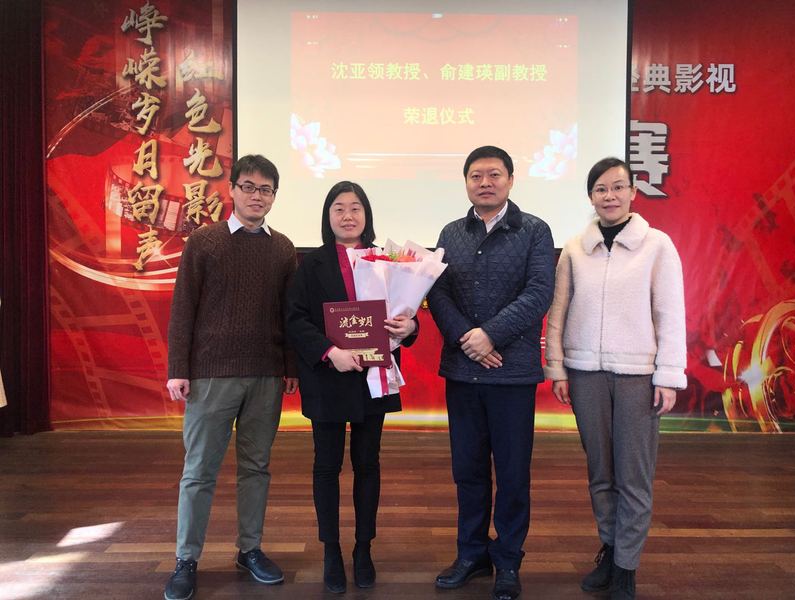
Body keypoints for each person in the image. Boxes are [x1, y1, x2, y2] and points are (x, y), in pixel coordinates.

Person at [544, 157, 687, 600]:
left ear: (633, 193)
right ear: (590, 196)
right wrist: (557, 366)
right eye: (601, 189)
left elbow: (670, 313)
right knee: (600, 472)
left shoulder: (657, 245)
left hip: (637, 376)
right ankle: (609, 548)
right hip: (585, 373)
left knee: (633, 476)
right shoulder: (575, 249)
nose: (610, 196)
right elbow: (558, 311)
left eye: (618, 187)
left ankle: (626, 566)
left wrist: (668, 375)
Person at [164, 155, 299, 600]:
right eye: (249, 187)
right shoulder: (204, 241)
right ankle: (186, 559)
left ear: (274, 196)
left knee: (256, 468)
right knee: (199, 470)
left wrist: (291, 367)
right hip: (210, 375)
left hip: (265, 374)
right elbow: (183, 307)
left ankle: (250, 549)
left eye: (266, 189)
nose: (257, 196)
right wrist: (178, 369)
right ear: (233, 190)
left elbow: (289, 314)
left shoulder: (283, 249)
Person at [427, 146, 555, 600]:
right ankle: (471, 554)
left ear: (511, 180)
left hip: (512, 373)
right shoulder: (450, 232)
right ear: (466, 182)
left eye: (494, 174)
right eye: (476, 175)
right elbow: (437, 293)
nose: (485, 182)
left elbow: (539, 292)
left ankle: (509, 560)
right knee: (468, 470)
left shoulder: (535, 230)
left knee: (513, 474)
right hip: (463, 371)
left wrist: (491, 335)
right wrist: (469, 339)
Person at [285, 181, 418, 594]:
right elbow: (295, 319)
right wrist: (330, 352)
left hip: (372, 380)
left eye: (355, 207)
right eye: (339, 208)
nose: (348, 215)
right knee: (326, 466)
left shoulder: (388, 261)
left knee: (367, 464)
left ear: (367, 214)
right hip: (328, 378)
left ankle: (363, 548)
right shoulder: (310, 264)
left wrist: (410, 326)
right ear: (327, 216)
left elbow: (406, 315)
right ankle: (331, 550)